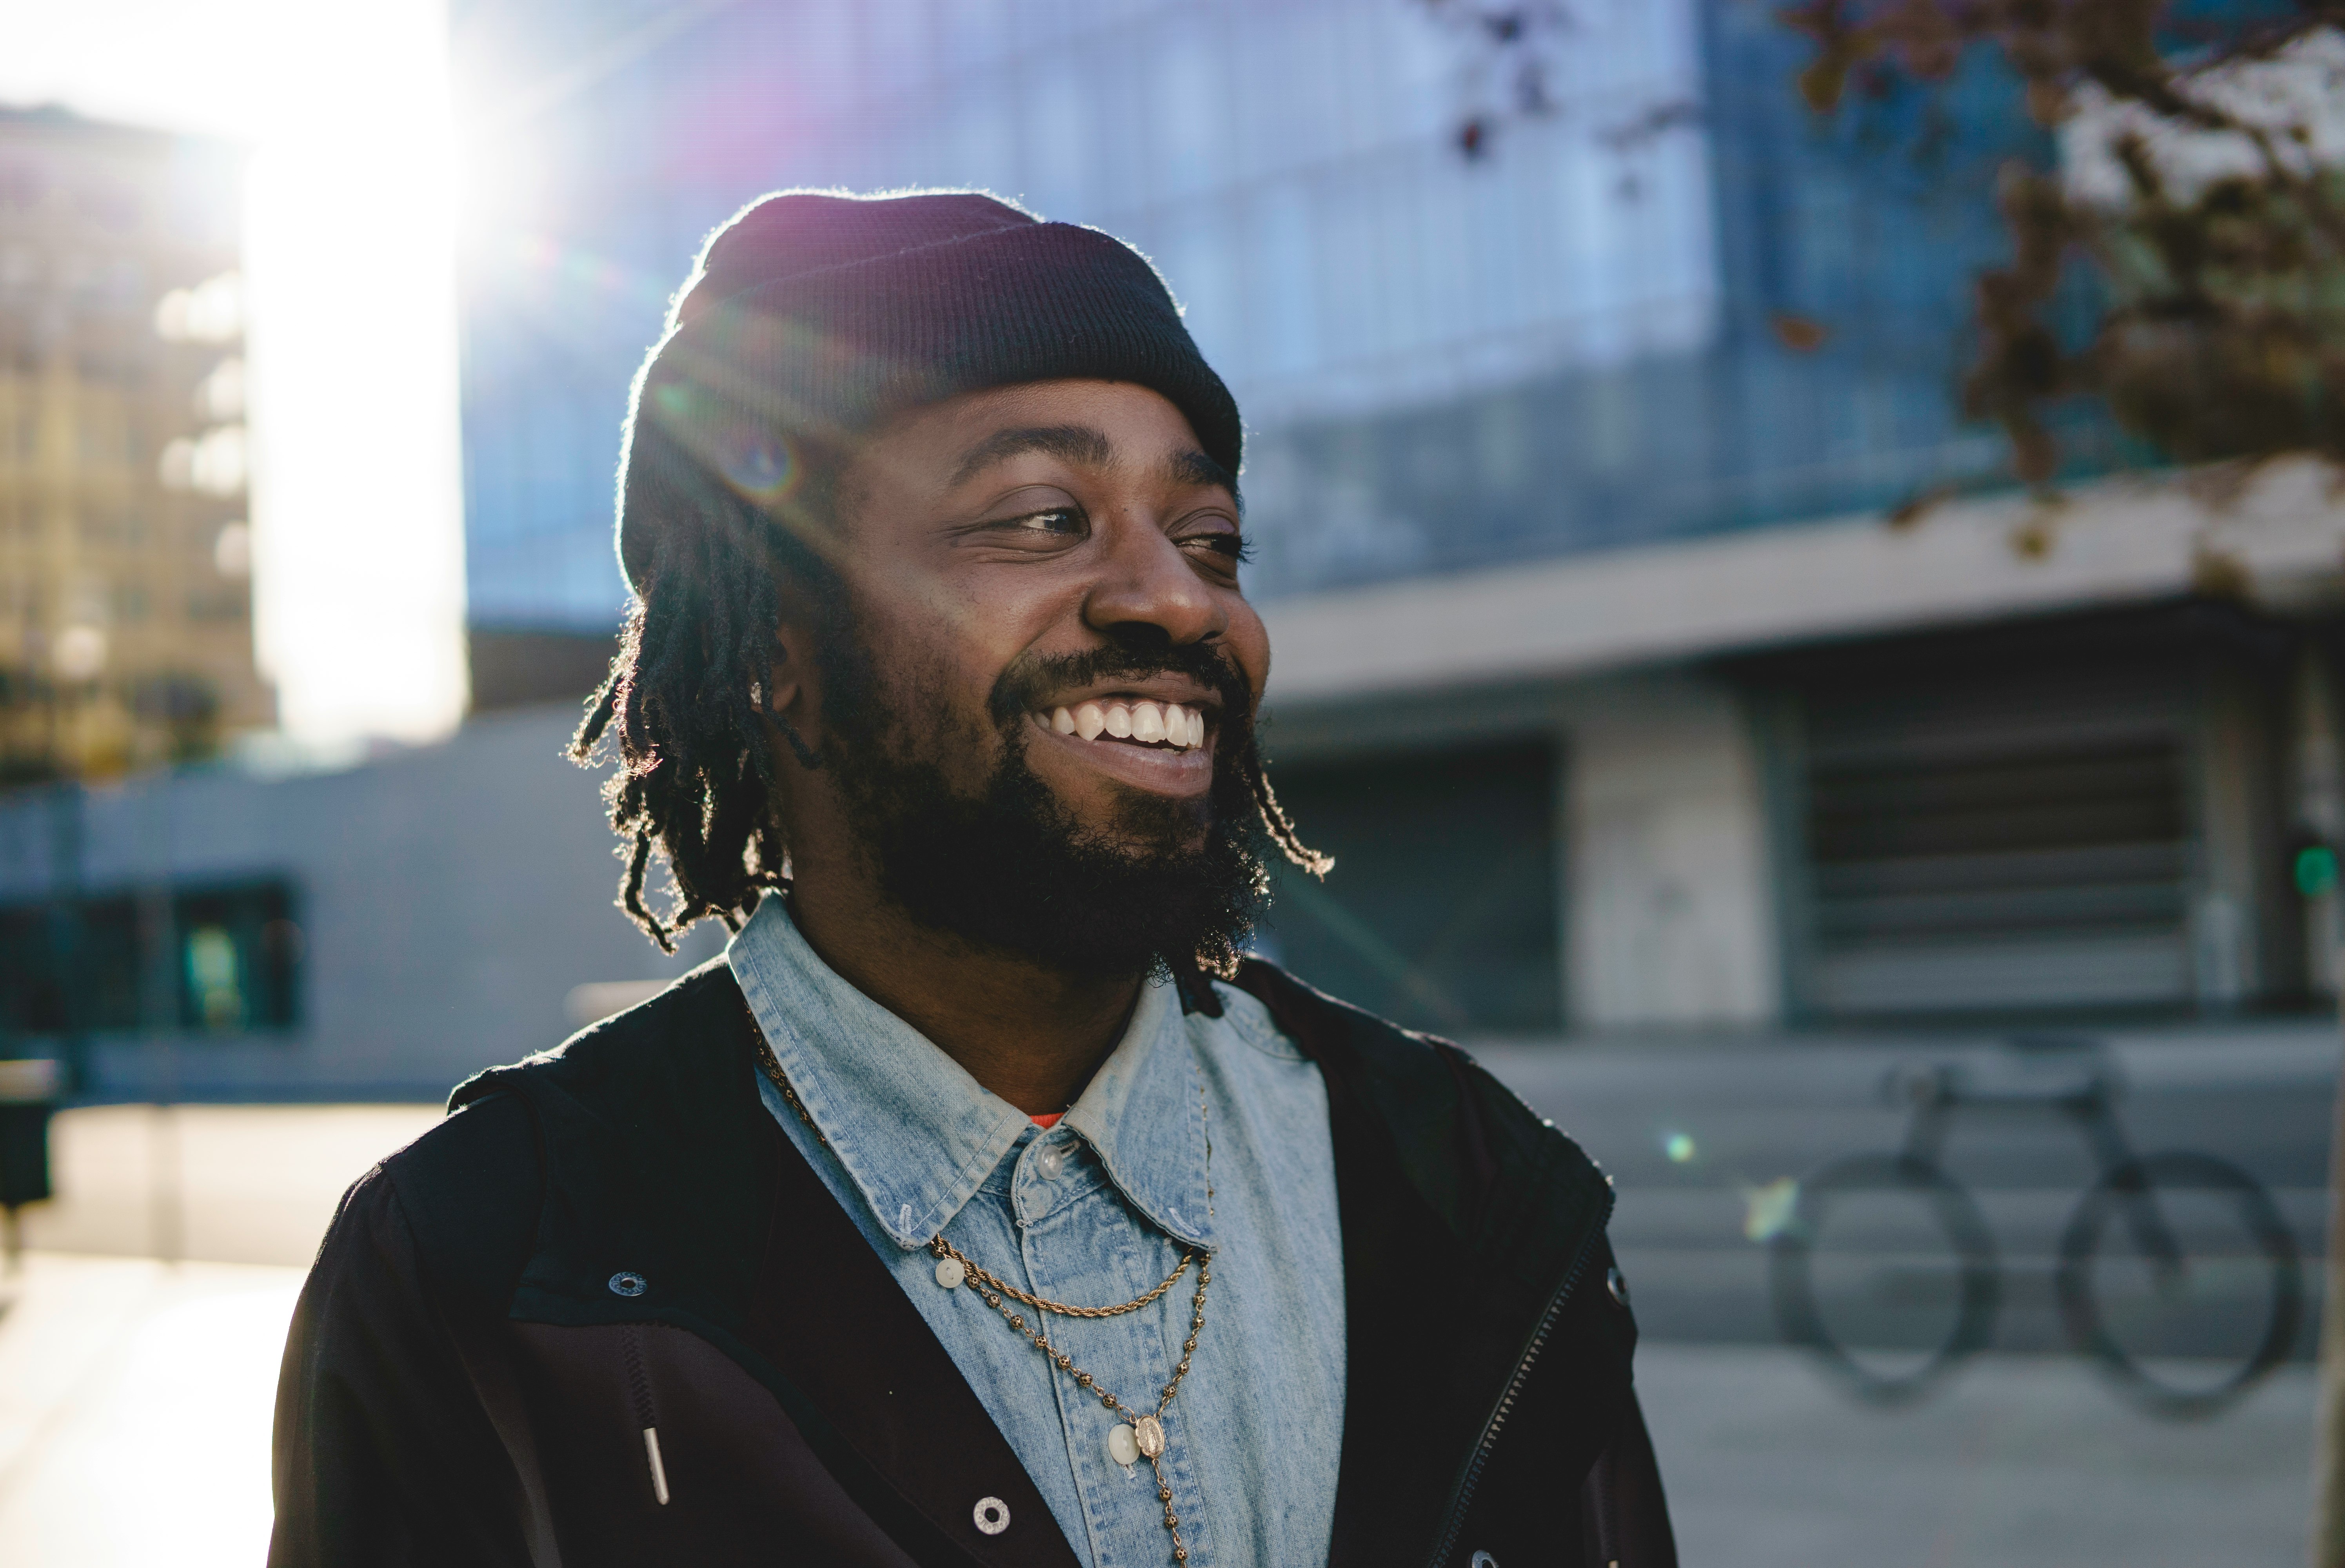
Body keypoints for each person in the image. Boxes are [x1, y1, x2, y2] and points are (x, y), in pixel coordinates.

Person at [268, 191, 1674, 1568]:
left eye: (1212, 541)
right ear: (776, 654)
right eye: (1043, 517)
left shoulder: (1471, 1183)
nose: (1180, 601)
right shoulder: (485, 1271)